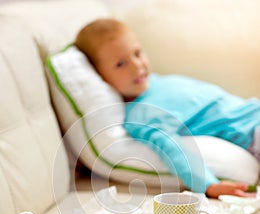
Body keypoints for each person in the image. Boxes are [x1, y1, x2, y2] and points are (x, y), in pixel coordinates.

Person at [75, 18, 260, 198]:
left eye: (137, 53)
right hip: (252, 133)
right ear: (100, 77)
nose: (137, 66)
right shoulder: (141, 115)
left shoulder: (160, 82)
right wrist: (208, 184)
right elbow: (173, 148)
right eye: (121, 64)